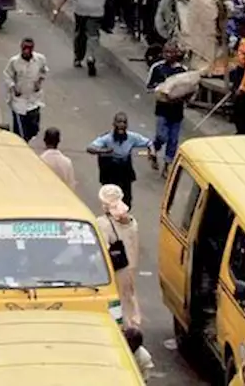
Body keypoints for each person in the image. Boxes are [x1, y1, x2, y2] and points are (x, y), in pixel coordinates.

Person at [96, 184, 141, 327]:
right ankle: (133, 324)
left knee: (116, 300)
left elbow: (102, 249)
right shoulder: (132, 223)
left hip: (115, 269)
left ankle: (120, 326)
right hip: (129, 266)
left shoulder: (102, 223)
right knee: (129, 297)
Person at [86, 113, 151, 208]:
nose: (121, 125)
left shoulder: (132, 137)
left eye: (124, 122)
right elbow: (90, 148)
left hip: (125, 171)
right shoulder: (107, 138)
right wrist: (104, 150)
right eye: (119, 122)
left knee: (127, 201)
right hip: (110, 172)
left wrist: (152, 151)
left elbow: (149, 142)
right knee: (111, 199)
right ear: (114, 124)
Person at [146, 43, 188, 172]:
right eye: (166, 52)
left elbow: (188, 88)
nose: (169, 55)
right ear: (163, 53)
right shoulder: (157, 68)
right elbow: (149, 86)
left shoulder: (182, 71)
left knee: (173, 140)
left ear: (177, 54)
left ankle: (168, 164)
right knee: (161, 135)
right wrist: (160, 89)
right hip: (162, 109)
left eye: (172, 52)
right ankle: (154, 146)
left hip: (177, 110)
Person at [4, 37, 47, 142]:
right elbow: (7, 75)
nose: (27, 51)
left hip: (34, 99)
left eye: (29, 48)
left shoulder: (40, 59)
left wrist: (39, 82)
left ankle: (28, 138)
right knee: (20, 131)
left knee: (33, 127)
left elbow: (44, 71)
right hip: (19, 101)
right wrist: (13, 88)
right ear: (21, 48)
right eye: (25, 48)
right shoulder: (14, 62)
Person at [38, 126, 77, 190]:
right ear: (59, 141)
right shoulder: (67, 162)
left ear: (44, 140)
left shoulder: (40, 160)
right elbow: (71, 186)